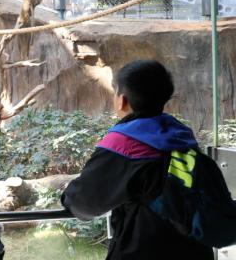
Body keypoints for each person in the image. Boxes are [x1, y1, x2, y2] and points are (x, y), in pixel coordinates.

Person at [62, 60, 215, 260]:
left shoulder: (125, 144)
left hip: (144, 250)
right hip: (196, 250)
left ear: (122, 100)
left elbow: (85, 203)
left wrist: (67, 195)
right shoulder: (182, 139)